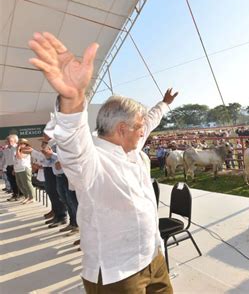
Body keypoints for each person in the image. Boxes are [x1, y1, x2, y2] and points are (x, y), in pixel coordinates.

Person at [29, 32, 177, 293]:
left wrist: (164, 105)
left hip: (154, 258)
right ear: (122, 129)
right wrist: (73, 100)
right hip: (118, 274)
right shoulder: (92, 162)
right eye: (139, 128)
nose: (144, 133)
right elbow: (73, 144)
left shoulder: (130, 147)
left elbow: (150, 121)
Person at [14, 139, 35, 204]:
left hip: (24, 168)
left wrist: (18, 149)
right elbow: (15, 160)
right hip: (18, 169)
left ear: (25, 144)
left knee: (27, 184)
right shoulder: (18, 150)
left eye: (21, 143)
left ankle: (32, 198)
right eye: (19, 143)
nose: (19, 145)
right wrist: (14, 169)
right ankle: (26, 197)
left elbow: (19, 157)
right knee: (20, 184)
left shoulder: (27, 150)